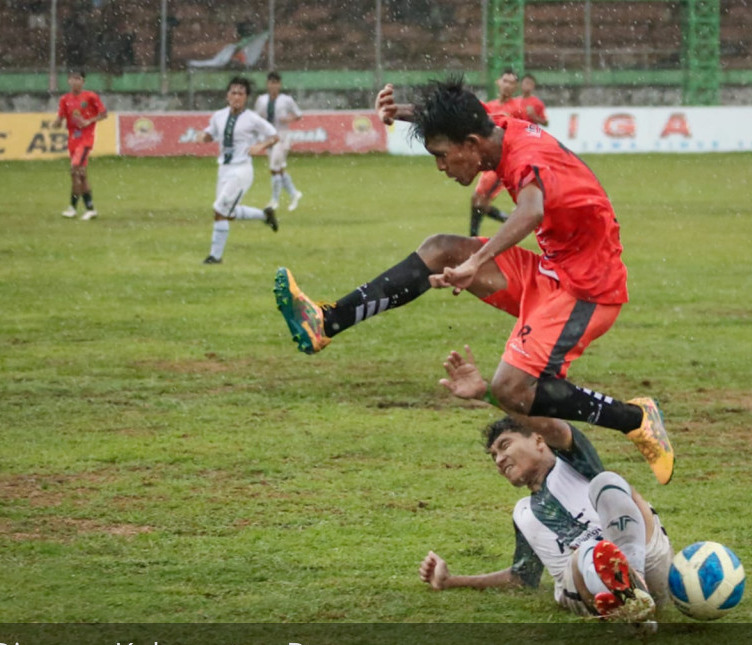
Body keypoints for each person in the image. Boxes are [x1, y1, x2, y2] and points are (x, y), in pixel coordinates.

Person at [274, 76, 674, 484]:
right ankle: (327, 321)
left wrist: (478, 260)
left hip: (587, 290)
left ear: (470, 144)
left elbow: (532, 210)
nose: (441, 166)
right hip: (551, 271)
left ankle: (635, 418)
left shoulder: (525, 155)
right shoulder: (495, 128)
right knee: (441, 249)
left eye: (443, 155)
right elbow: (469, 113)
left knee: (512, 389)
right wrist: (403, 112)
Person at [421, 359, 674, 624]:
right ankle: (628, 600)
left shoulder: (574, 462)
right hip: (589, 590)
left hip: (649, 559)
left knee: (608, 482)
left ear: (539, 440)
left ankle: (633, 583)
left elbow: (551, 425)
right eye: (493, 455)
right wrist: (452, 581)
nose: (499, 459)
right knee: (587, 552)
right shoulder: (524, 513)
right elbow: (522, 577)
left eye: (505, 445)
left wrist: (487, 393)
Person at [198, 76, 280, 265]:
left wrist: (260, 146)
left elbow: (274, 136)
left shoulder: (252, 118)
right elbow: (211, 133)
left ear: (246, 98)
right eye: (233, 92)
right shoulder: (219, 116)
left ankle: (215, 257)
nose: (236, 97)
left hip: (242, 170)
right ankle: (264, 215)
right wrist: (203, 136)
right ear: (227, 95)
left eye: (240, 93)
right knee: (230, 213)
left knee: (219, 209)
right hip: (224, 169)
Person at [468, 68, 526, 236]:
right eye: (505, 81)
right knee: (477, 200)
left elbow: (523, 133)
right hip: (488, 160)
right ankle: (508, 221)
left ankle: (474, 237)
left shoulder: (517, 108)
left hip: (503, 159)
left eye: (511, 83)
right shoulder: (490, 106)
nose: (507, 86)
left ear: (515, 88)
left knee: (481, 201)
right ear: (498, 82)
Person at [54, 69, 107, 220]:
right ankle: (89, 209)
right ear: (68, 81)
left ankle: (73, 207)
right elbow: (61, 117)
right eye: (72, 78)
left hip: (85, 140)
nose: (75, 81)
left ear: (83, 82)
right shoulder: (65, 99)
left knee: (75, 170)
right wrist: (57, 122)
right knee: (81, 175)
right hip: (73, 141)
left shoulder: (90, 96)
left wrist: (88, 121)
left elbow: (104, 114)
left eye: (78, 79)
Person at [254, 72, 304, 212]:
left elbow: (298, 114)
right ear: (267, 84)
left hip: (281, 136)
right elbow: (256, 118)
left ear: (280, 84)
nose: (273, 85)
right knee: (279, 168)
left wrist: (288, 119)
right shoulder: (262, 100)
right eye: (271, 82)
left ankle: (274, 200)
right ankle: (294, 193)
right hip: (268, 136)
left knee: (274, 168)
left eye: (276, 83)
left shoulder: (286, 100)